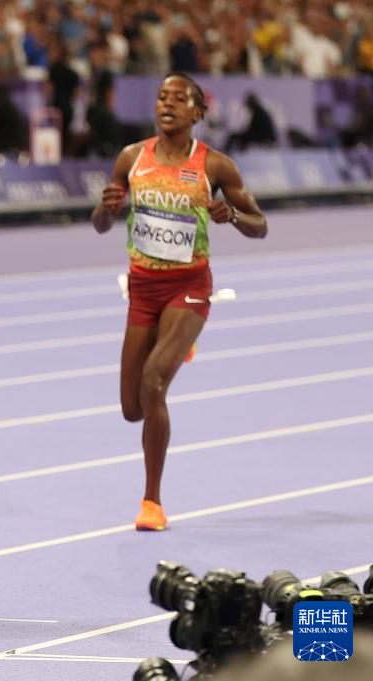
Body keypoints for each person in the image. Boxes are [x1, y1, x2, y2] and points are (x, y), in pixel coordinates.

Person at [91, 73, 267, 531]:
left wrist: (232, 215)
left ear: (198, 112)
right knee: (132, 408)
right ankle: (179, 342)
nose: (167, 104)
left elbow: (260, 225)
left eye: (178, 98)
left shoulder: (216, 166)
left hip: (189, 288)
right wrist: (107, 208)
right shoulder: (132, 158)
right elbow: (100, 224)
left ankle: (151, 502)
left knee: (154, 384)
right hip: (142, 289)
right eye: (161, 97)